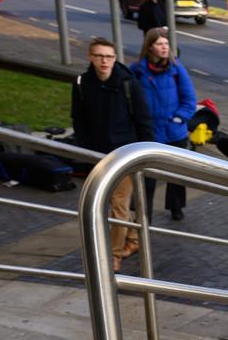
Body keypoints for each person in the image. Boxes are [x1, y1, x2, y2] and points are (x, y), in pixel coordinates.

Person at [70, 37, 154, 272]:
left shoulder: (128, 83)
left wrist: (145, 154)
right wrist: (84, 148)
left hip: (124, 154)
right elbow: (78, 118)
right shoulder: (81, 83)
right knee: (109, 203)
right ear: (90, 57)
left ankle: (114, 254)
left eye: (108, 56)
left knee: (118, 205)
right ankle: (134, 240)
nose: (104, 61)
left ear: (115, 58)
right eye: (99, 56)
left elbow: (143, 119)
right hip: (96, 154)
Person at [131, 27, 196, 222]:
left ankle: (176, 207)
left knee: (176, 175)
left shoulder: (177, 69)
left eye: (166, 44)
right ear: (150, 47)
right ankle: (144, 217)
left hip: (174, 131)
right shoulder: (137, 70)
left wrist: (178, 118)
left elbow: (189, 99)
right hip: (150, 133)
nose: (164, 47)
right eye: (160, 44)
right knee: (148, 178)